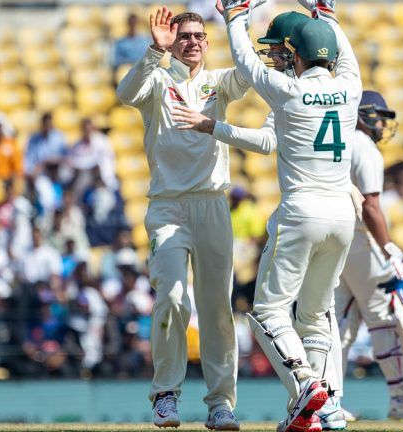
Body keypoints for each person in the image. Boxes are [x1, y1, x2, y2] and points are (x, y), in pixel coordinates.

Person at [215, 1, 360, 431]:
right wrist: (328, 15)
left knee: (267, 312)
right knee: (316, 314)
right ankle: (326, 409)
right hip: (342, 214)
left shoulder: (288, 90)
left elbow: (243, 59)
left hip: (302, 211)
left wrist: (235, 15)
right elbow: (344, 54)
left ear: (295, 54)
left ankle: (304, 383)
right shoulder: (351, 87)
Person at [116, 5, 255, 429]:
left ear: (206, 42)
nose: (192, 42)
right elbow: (125, 94)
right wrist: (151, 52)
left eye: (198, 36)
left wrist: (237, 23)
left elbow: (249, 75)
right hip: (168, 206)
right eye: (184, 36)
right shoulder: (156, 78)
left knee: (216, 309)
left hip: (213, 205)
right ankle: (166, 394)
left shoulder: (218, 82)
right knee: (173, 298)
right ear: (171, 42)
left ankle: (220, 404)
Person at [335, 90, 403, 420]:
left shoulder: (336, 143)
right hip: (362, 245)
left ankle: (326, 403)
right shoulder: (364, 148)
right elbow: (370, 206)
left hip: (334, 244)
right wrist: (389, 248)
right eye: (379, 116)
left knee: (338, 328)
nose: (383, 124)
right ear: (364, 115)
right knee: (388, 321)